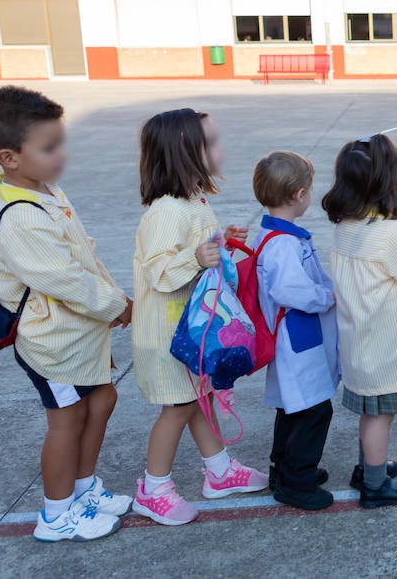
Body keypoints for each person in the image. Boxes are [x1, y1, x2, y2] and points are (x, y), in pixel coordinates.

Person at [0, 87, 133, 542]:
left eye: (61, 142)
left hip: (77, 331)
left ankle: (83, 490)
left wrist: (113, 296)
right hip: (49, 340)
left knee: (102, 401)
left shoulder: (46, 190)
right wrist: (117, 305)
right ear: (9, 157)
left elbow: (83, 255)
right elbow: (65, 280)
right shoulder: (21, 217)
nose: (60, 155)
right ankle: (56, 514)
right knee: (66, 420)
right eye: (48, 147)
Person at [131, 108, 268, 526]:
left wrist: (219, 243)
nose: (220, 148)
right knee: (178, 407)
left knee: (199, 399)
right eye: (210, 142)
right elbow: (159, 270)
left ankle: (220, 470)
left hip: (192, 331)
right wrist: (195, 256)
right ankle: (153, 489)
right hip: (168, 337)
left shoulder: (194, 201)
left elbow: (196, 254)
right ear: (185, 153)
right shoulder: (167, 211)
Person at [323, 134, 397, 509]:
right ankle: (375, 484)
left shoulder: (346, 228)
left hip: (359, 338)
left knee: (372, 411)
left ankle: (368, 466)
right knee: (381, 414)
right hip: (384, 342)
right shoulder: (389, 234)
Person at [249, 151, 340, 511]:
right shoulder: (284, 244)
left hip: (294, 336)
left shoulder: (272, 234)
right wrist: (325, 297)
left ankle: (283, 470)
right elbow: (291, 291)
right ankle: (297, 481)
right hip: (296, 339)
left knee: (292, 407)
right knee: (314, 410)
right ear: (300, 195)